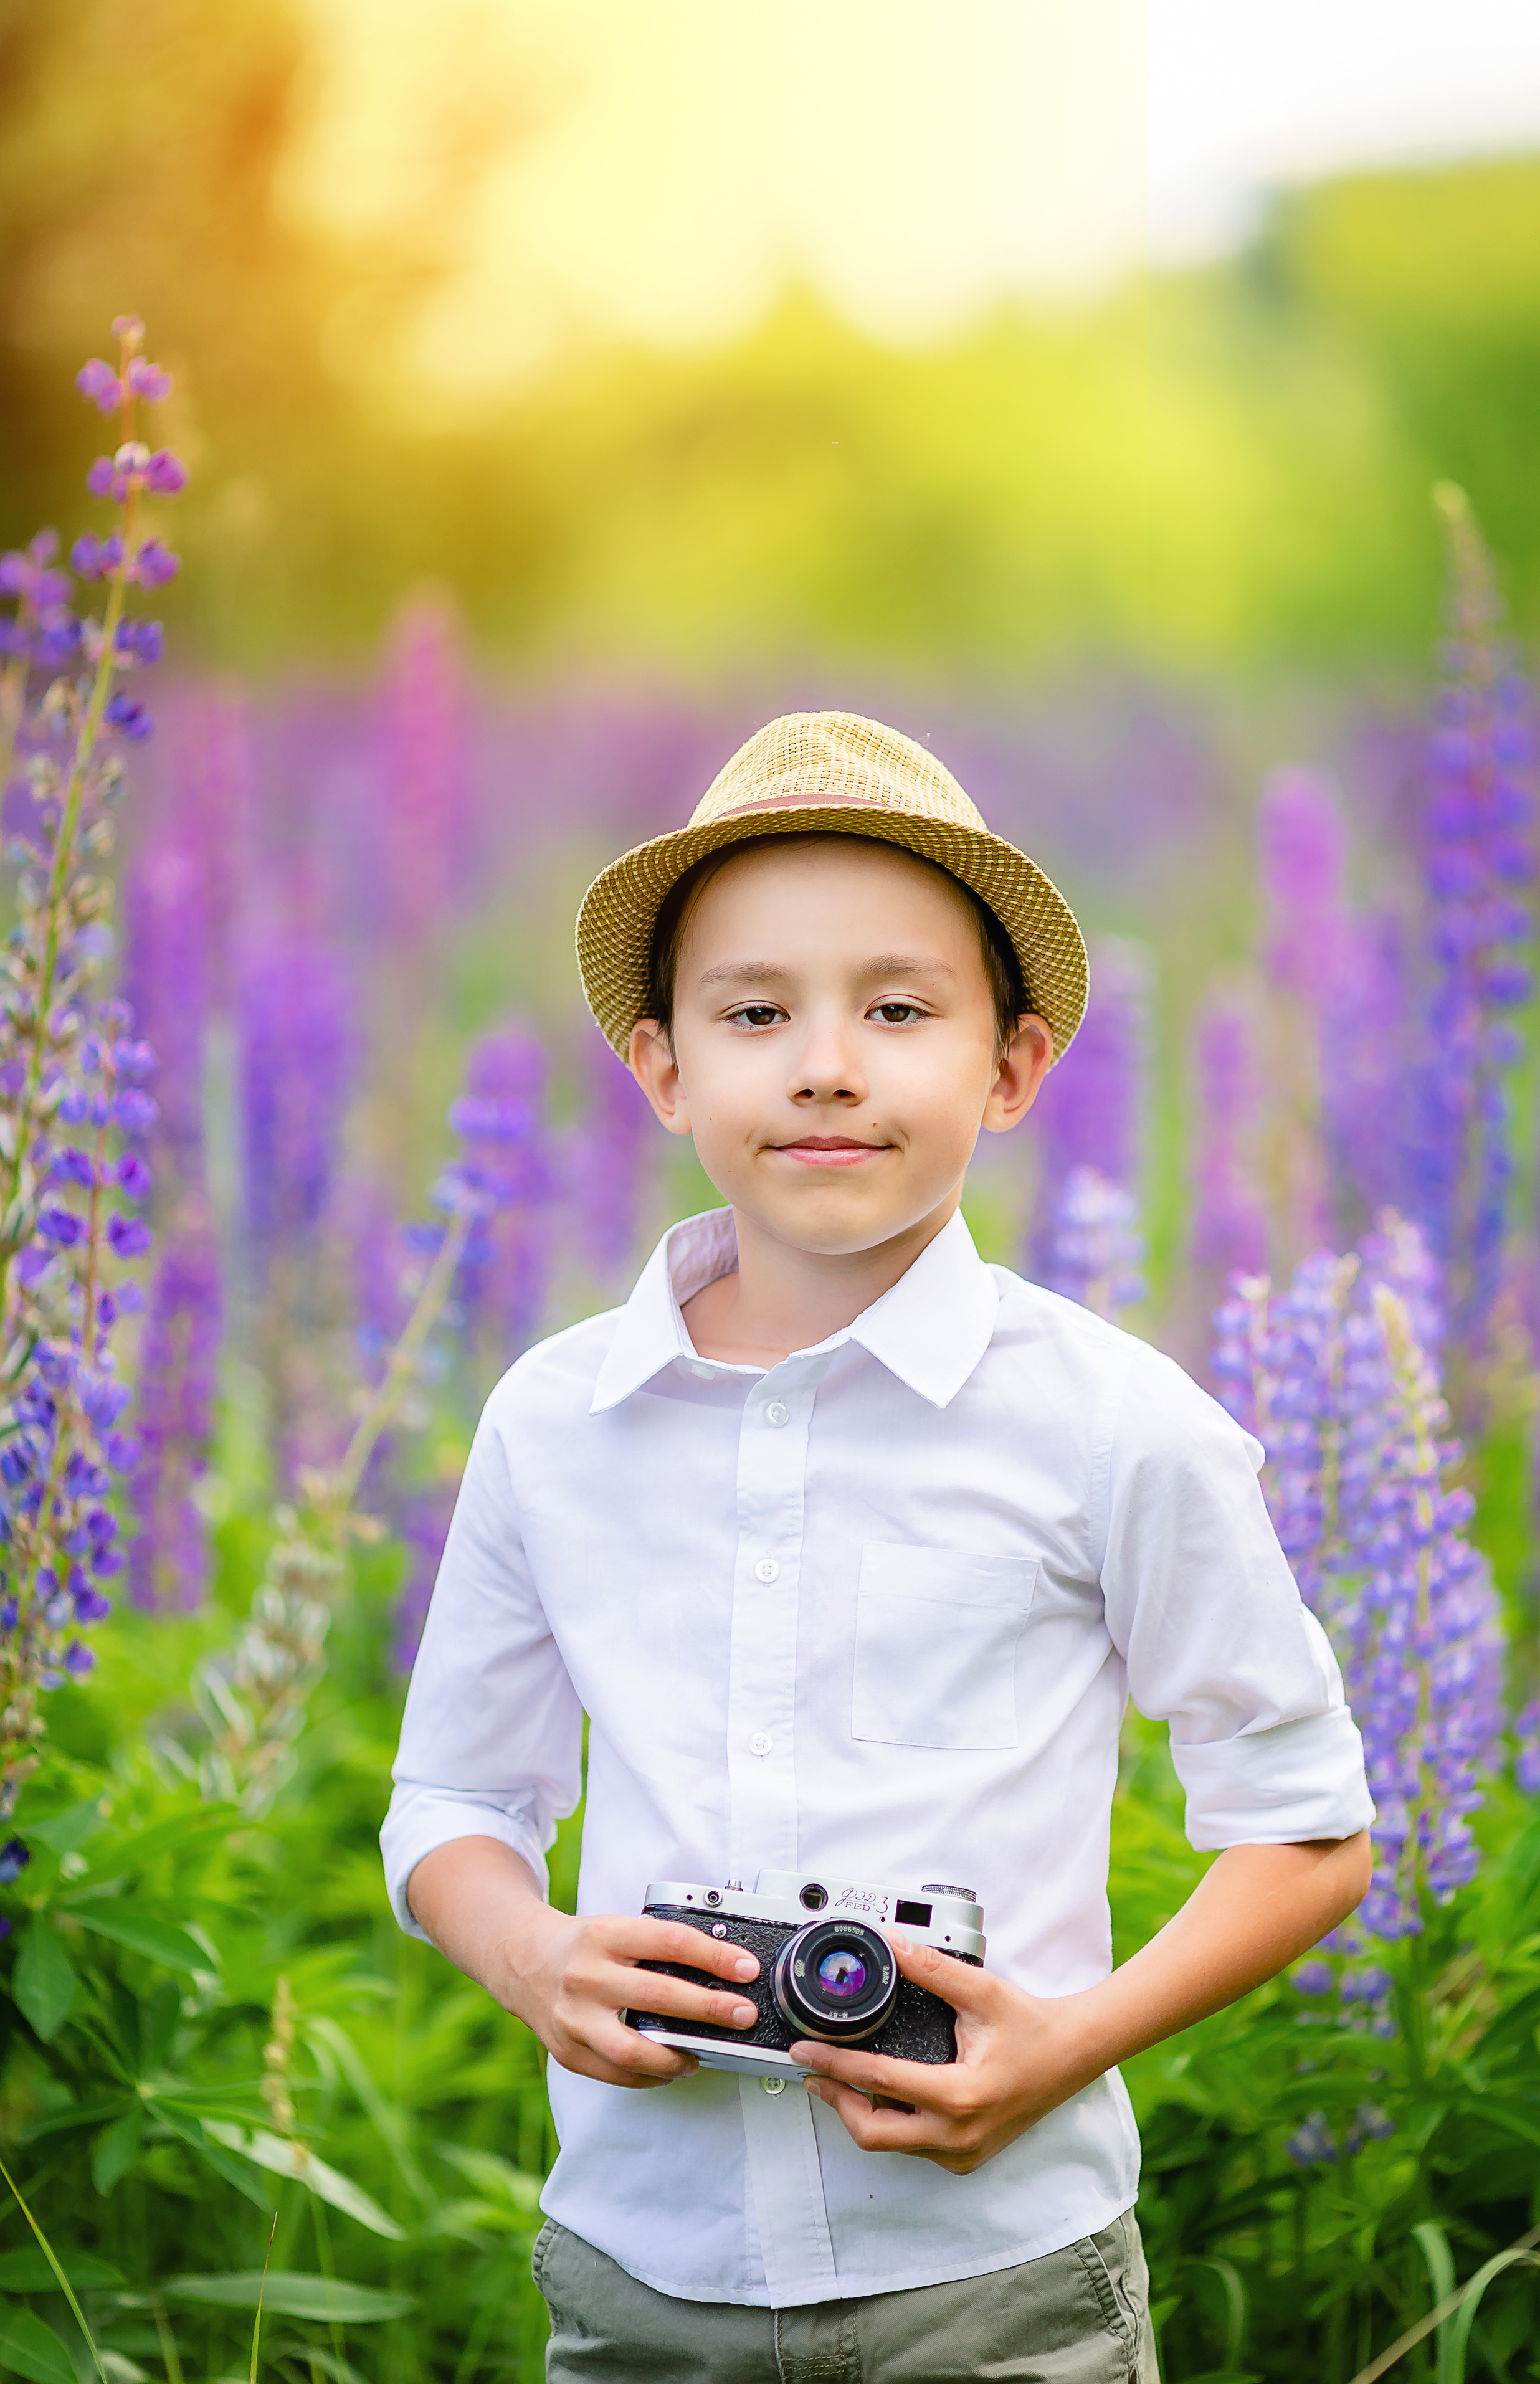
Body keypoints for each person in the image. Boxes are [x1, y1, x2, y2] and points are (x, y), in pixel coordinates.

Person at [381, 711, 1374, 2383]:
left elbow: (1308, 1830)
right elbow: (452, 1806)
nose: (827, 1063)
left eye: (899, 1010)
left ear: (1013, 1069)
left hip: (1004, 2283)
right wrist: (535, 1954)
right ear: (662, 1067)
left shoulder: (1116, 1424)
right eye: (756, 1011)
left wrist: (1063, 2046)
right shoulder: (556, 1425)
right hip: (643, 2278)